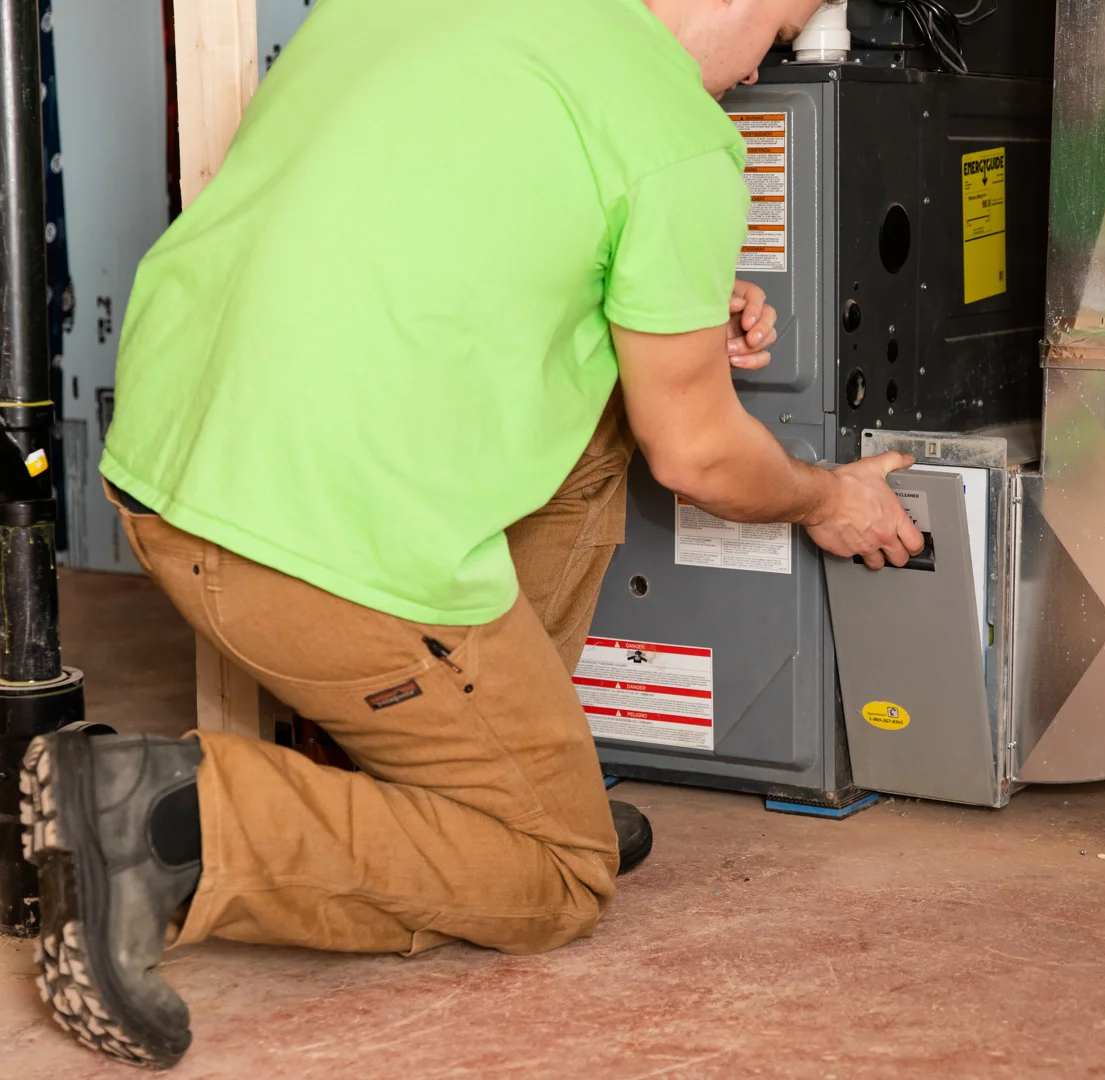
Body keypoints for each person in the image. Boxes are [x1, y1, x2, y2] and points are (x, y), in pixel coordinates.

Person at [19, 0, 922, 1068]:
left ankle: (494, 780)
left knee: (607, 407)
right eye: (775, 42)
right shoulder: (673, 138)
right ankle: (174, 821)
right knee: (557, 872)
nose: (752, 75)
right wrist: (827, 498)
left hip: (168, 473)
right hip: (304, 556)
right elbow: (699, 457)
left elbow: (413, 224)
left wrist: (663, 294)